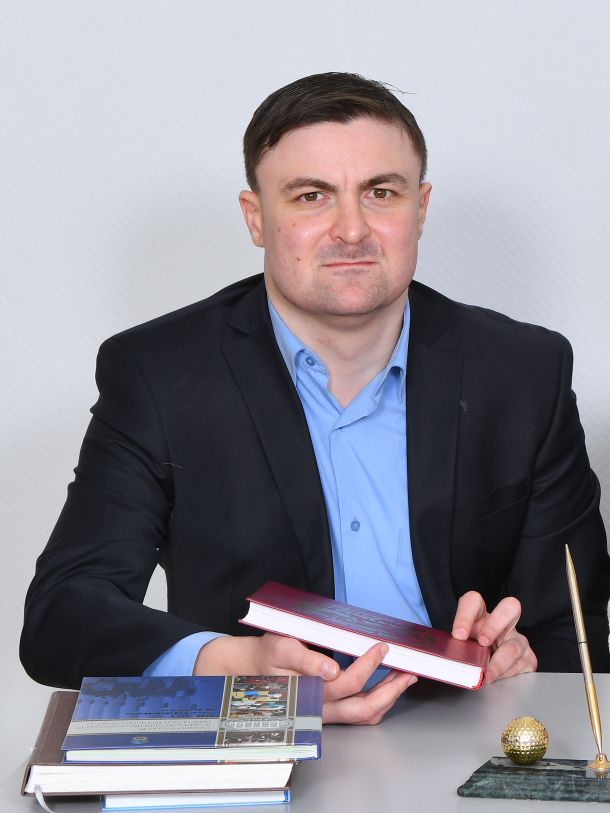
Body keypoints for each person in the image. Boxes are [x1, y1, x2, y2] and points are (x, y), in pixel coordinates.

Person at [20, 72, 610, 725]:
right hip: (262, 740)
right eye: (311, 196)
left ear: (420, 208)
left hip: (473, 738)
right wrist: (231, 663)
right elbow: (61, 615)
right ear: (256, 218)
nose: (351, 230)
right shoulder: (159, 375)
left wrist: (522, 661)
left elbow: (572, 632)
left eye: (381, 192)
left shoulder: (524, 373)